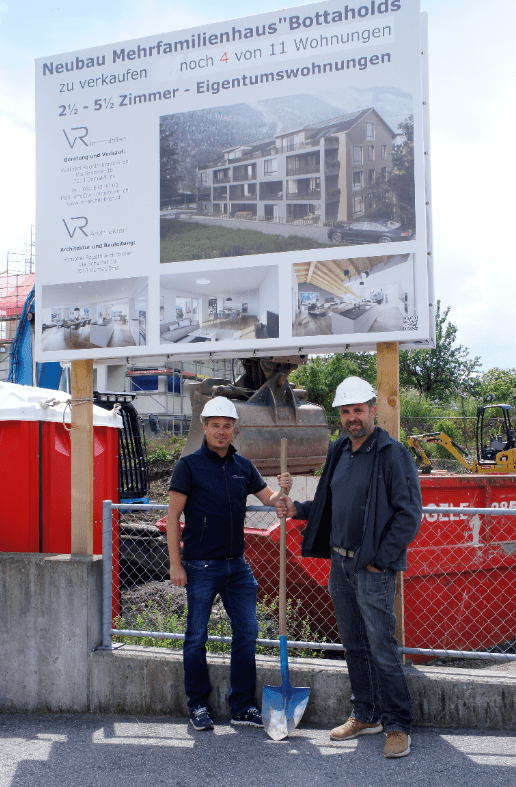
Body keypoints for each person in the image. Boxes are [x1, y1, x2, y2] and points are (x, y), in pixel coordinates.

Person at [275, 376, 422, 759]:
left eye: (358, 410)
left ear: (372, 410)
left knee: (382, 646)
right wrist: (297, 509)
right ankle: (366, 714)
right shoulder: (340, 449)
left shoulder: (392, 454)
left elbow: (409, 515)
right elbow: (328, 502)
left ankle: (398, 725)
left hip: (371, 567)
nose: (352, 417)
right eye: (345, 411)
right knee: (354, 643)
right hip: (339, 564)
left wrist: (379, 560)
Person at [167, 396, 292, 732]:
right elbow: (172, 516)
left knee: (247, 632)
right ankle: (197, 704)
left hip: (237, 566)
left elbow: (270, 499)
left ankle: (242, 705)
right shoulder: (188, 466)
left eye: (227, 426)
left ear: (235, 429)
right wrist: (175, 565)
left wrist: (283, 491)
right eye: (215, 426)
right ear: (205, 428)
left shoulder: (243, 466)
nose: (221, 431)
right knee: (196, 636)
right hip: (200, 567)